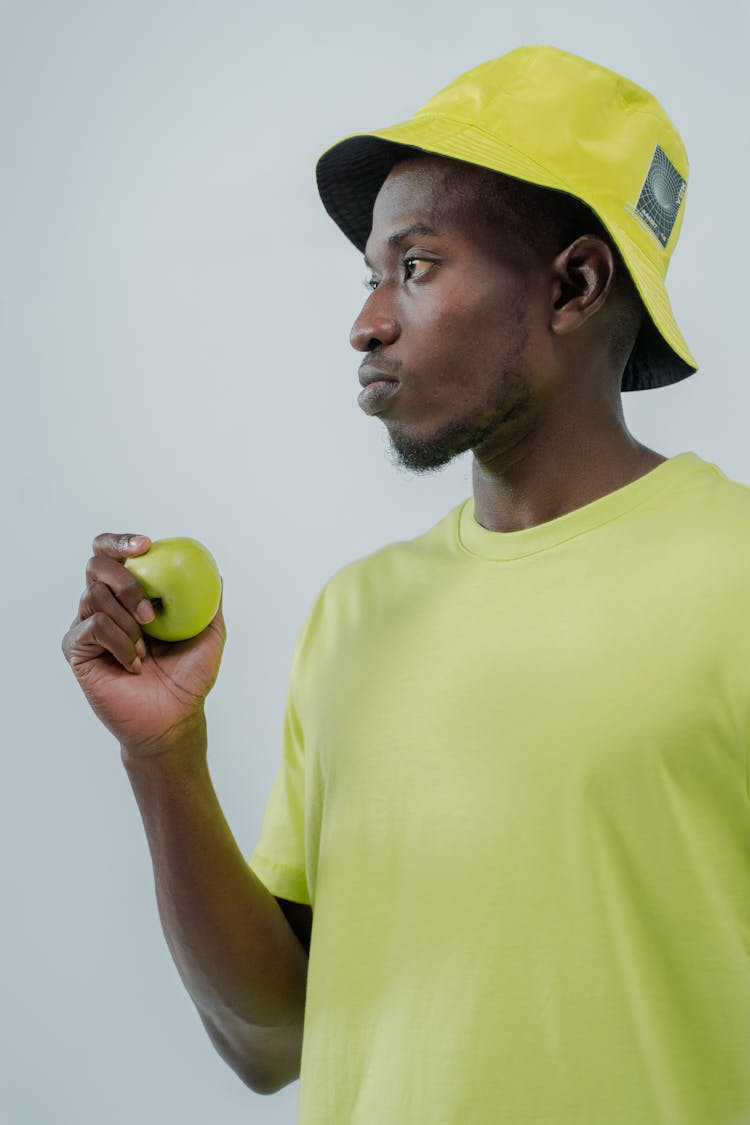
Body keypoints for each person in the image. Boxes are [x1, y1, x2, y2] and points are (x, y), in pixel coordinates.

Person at [62, 45, 750, 1125]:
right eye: (370, 274)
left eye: (417, 267)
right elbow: (271, 1039)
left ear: (575, 284)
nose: (367, 321)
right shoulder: (356, 615)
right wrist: (162, 754)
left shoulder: (737, 580)